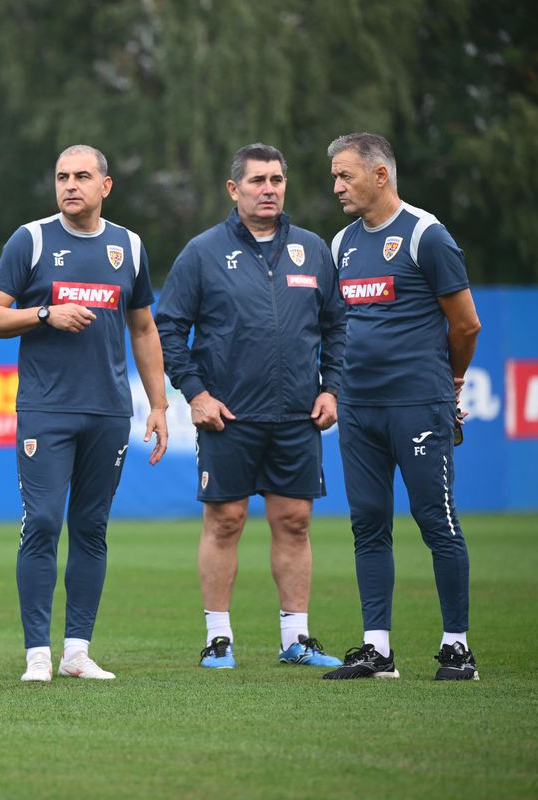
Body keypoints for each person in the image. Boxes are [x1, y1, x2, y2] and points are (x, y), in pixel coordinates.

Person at [0, 144, 168, 683]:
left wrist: (157, 404)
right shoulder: (31, 240)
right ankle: (38, 653)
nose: (70, 185)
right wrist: (44, 313)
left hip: (109, 411)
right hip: (46, 409)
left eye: (82, 176)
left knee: (92, 528)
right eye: (62, 176)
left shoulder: (128, 246)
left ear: (106, 186)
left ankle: (77, 651)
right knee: (41, 522)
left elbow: (144, 328)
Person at [155, 143, 347, 671]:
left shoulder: (312, 249)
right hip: (229, 415)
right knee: (225, 521)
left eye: (277, 180)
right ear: (233, 189)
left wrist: (332, 387)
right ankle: (218, 638)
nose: (269, 189)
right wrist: (195, 393)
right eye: (258, 180)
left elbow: (337, 325)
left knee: (295, 522)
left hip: (297, 416)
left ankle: (296, 639)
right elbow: (168, 325)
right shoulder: (202, 251)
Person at [322, 132, 482, 681]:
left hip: (417, 404)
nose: (337, 185)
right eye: (336, 176)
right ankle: (377, 651)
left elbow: (466, 323)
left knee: (435, 520)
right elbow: (339, 326)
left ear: (380, 175)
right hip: (359, 410)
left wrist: (452, 379)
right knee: (368, 525)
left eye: (345, 175)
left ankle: (457, 647)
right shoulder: (342, 243)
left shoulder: (425, 235)